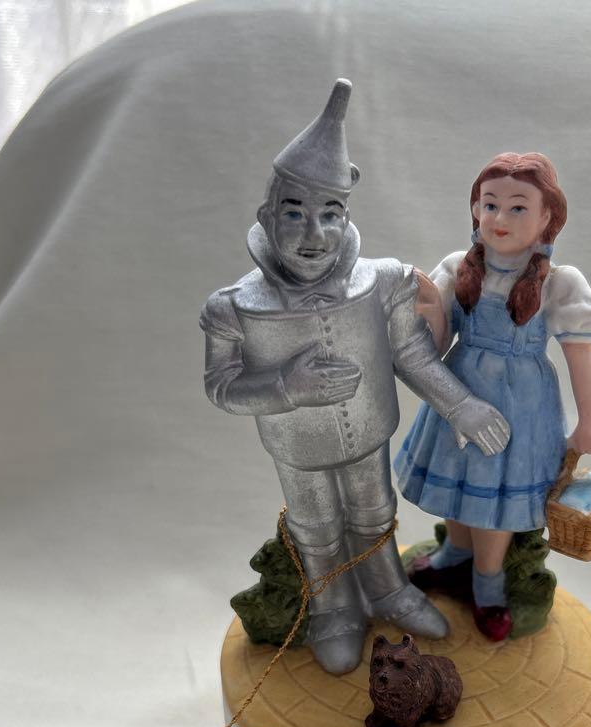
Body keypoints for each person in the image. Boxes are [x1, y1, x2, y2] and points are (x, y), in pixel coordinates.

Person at [200, 79, 510, 674]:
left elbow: (411, 354)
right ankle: (333, 609)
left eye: (330, 215)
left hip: (369, 434)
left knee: (374, 512)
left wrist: (460, 405)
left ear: (347, 218)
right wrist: (286, 387)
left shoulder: (382, 281)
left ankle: (390, 589)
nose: (314, 235)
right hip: (297, 446)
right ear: (266, 215)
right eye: (295, 214)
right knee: (315, 526)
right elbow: (220, 386)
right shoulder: (234, 307)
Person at [395, 153, 591, 641]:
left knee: (495, 497)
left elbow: (580, 355)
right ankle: (455, 552)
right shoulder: (457, 267)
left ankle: (487, 581)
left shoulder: (559, 284)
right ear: (475, 209)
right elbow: (433, 348)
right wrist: (428, 311)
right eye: (490, 204)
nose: (500, 218)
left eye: (518, 207)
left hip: (520, 406)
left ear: (547, 216)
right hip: (458, 392)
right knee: (457, 480)